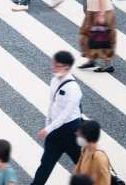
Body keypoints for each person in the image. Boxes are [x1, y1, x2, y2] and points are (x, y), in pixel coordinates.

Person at [31, 51, 83, 185]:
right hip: (54, 131)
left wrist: (49, 129)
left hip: (71, 130)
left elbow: (66, 114)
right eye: (54, 64)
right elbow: (52, 105)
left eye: (57, 65)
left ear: (66, 67)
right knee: (46, 164)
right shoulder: (54, 80)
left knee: (83, 164)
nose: (53, 68)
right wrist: (47, 124)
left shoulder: (74, 88)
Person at [74, 120, 111, 185]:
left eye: (80, 134)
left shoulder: (99, 157)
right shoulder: (85, 149)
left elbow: (106, 181)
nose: (77, 134)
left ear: (87, 135)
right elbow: (77, 172)